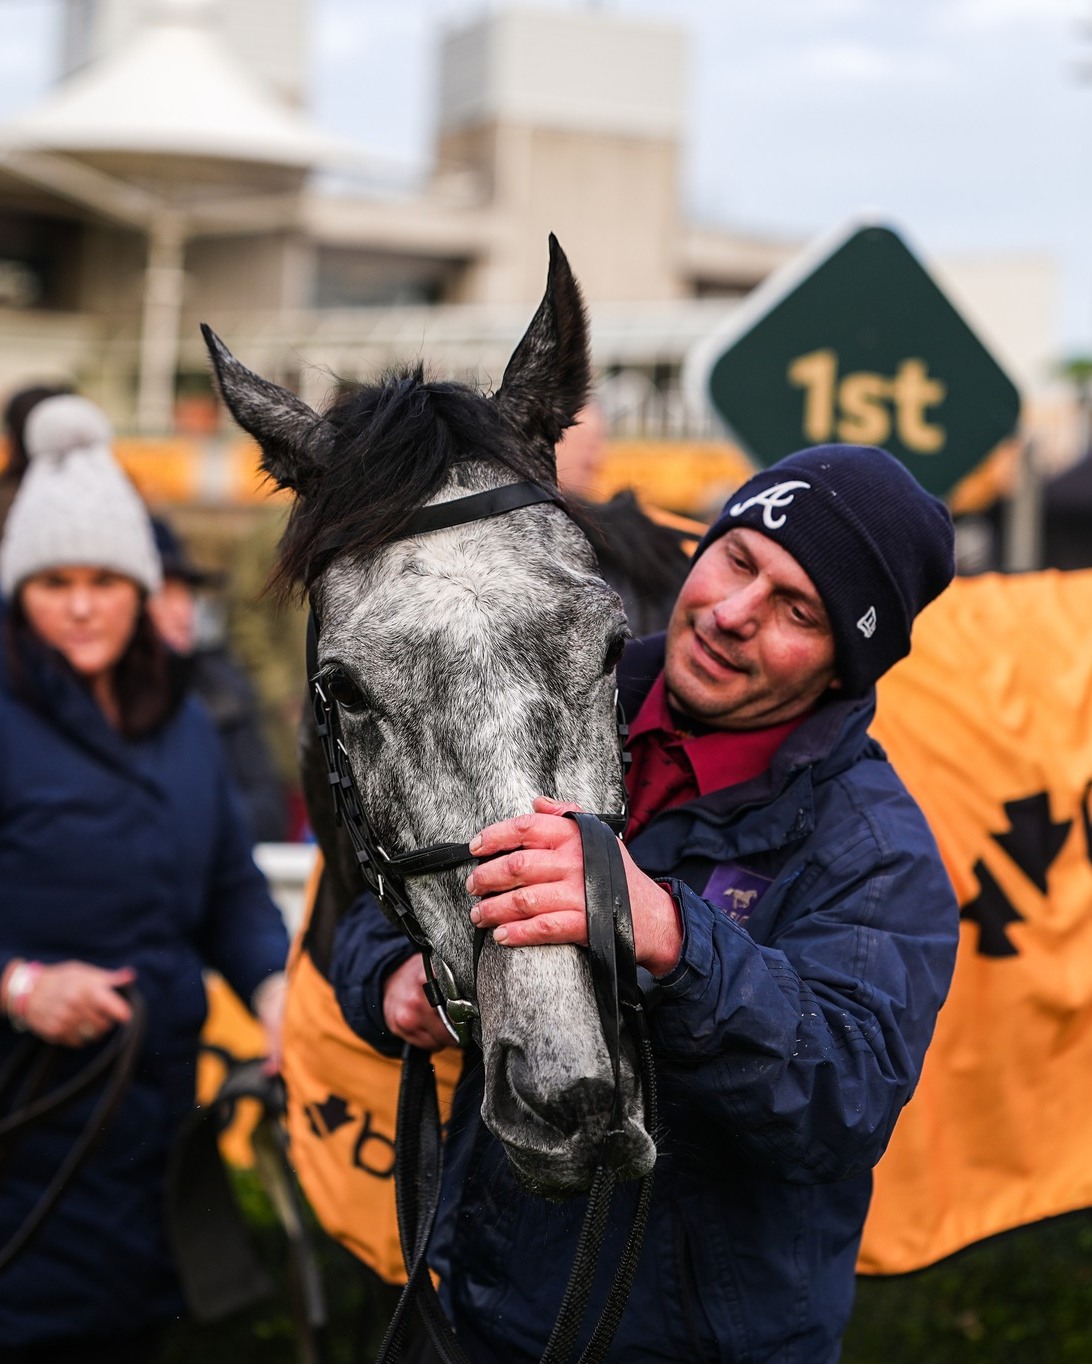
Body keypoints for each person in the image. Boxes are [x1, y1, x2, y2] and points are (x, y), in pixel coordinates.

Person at [331, 443, 962, 1363]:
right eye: (738, 560)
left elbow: (844, 1101)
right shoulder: (552, 694)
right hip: (478, 1310)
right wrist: (392, 974)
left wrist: (668, 935)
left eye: (797, 610)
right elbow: (391, 888)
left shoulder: (877, 848)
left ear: (843, 666)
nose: (734, 613)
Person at [0, 395, 290, 1363]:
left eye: (104, 580)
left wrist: (277, 993)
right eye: (55, 581)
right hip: (24, 1120)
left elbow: (231, 891)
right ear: (19, 590)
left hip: (153, 1133)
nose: (82, 605)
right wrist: (21, 986)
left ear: (140, 588)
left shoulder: (185, 720)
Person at [148, 516, 289, 843]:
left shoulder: (225, 688)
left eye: (185, 594)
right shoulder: (100, 699)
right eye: (163, 594)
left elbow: (270, 811)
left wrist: (194, 821)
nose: (182, 611)